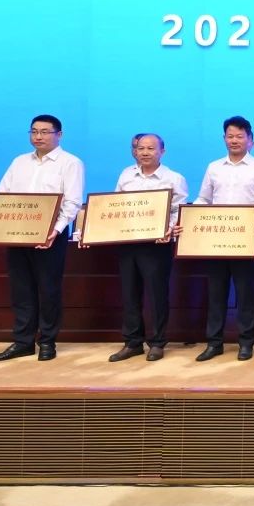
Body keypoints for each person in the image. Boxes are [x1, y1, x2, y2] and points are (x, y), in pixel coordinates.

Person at [0, 114, 85, 363]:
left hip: (51, 235)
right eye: (34, 131)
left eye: (45, 132)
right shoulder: (19, 162)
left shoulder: (70, 163)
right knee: (21, 289)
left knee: (48, 290)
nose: (38, 136)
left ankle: (48, 341)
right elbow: (1, 196)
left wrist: (56, 231)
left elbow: (72, 203)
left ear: (59, 135)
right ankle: (23, 342)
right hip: (17, 234)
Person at [193, 115, 254, 362]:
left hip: (246, 241)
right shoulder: (214, 167)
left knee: (245, 294)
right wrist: (191, 216)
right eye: (230, 136)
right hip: (216, 241)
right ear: (224, 139)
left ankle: (246, 343)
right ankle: (214, 343)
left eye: (240, 136)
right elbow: (204, 199)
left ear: (250, 140)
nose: (234, 140)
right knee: (215, 294)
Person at [105, 132, 188, 363]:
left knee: (156, 294)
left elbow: (178, 211)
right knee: (129, 294)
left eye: (151, 148)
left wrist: (168, 229)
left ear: (162, 151)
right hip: (128, 242)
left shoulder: (174, 178)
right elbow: (115, 205)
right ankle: (132, 342)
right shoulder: (126, 175)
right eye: (141, 148)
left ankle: (157, 342)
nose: (145, 152)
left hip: (156, 245)